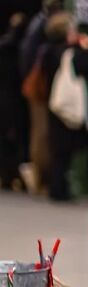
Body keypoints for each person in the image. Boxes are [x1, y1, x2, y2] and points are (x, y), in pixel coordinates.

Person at [21, 11, 73, 195]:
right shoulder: (63, 51)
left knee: (45, 139)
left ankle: (43, 180)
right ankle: (48, 181)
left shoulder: (44, 49)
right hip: (55, 102)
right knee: (49, 143)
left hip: (46, 100)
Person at [47, 23, 88, 202]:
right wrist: (86, 49)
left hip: (57, 107)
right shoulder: (70, 53)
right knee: (64, 153)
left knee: (59, 153)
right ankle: (60, 189)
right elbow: (86, 67)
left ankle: (58, 187)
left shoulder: (50, 50)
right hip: (66, 110)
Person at [0, 12, 27, 190]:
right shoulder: (17, 48)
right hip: (12, 99)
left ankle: (6, 175)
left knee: (5, 138)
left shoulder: (4, 45)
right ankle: (10, 174)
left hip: (5, 98)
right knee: (12, 137)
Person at [18, 0, 62, 82]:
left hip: (32, 64)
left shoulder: (40, 19)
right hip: (34, 65)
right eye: (56, 6)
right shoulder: (42, 22)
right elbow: (30, 49)